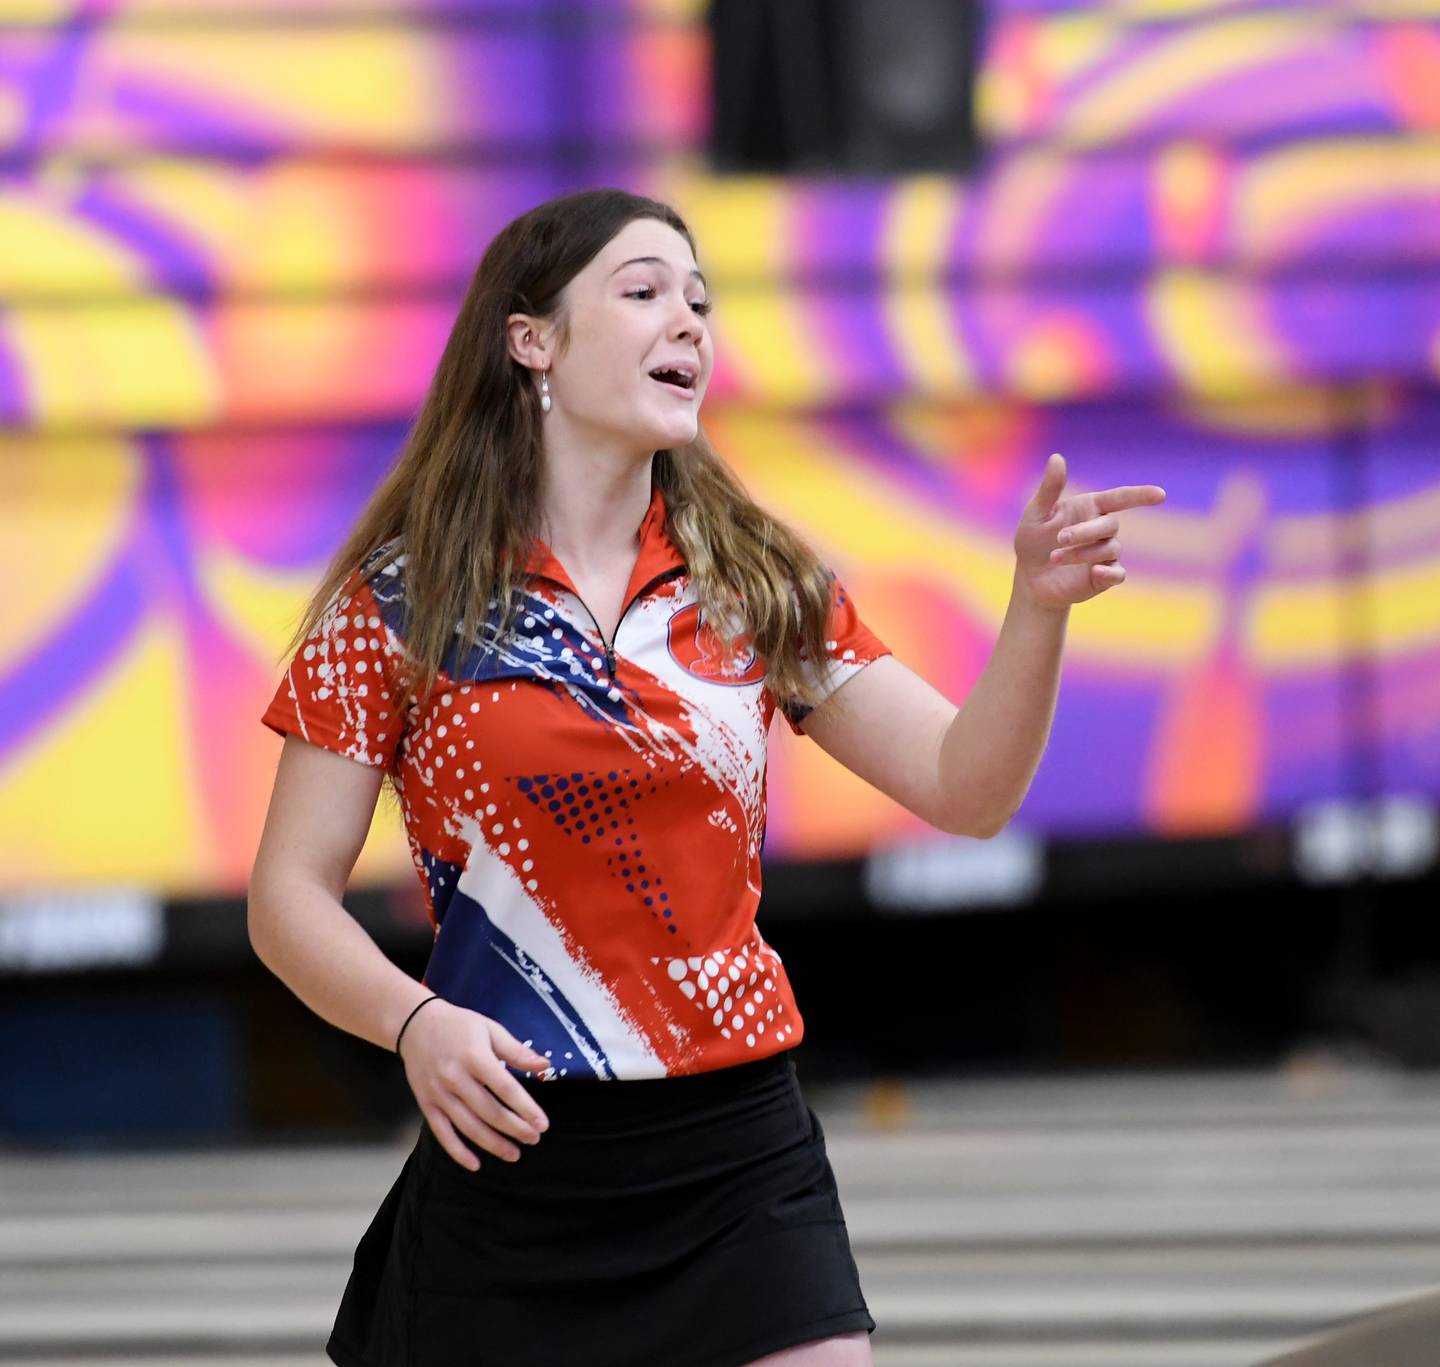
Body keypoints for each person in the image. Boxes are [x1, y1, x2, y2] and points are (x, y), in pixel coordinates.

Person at [247, 186, 1164, 1367]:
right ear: (532, 341)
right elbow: (287, 899)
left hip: (738, 1150)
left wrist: (1036, 613)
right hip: (516, 1147)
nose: (686, 319)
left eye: (699, 299)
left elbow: (964, 786)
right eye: (641, 293)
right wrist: (415, 1023)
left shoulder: (755, 582)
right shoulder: (398, 602)